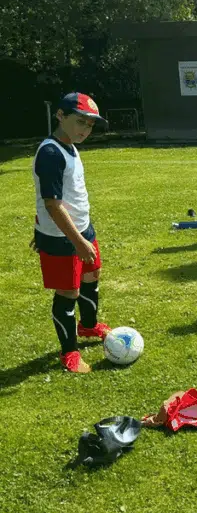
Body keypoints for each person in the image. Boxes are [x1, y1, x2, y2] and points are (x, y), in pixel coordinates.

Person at [32, 93, 111, 373]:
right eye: (80, 122)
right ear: (60, 116)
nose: (85, 130)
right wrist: (77, 242)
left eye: (89, 126)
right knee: (69, 291)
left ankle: (88, 326)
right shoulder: (51, 152)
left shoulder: (70, 146)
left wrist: (84, 235)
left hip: (82, 230)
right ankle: (69, 353)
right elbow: (52, 204)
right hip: (61, 238)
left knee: (92, 275)